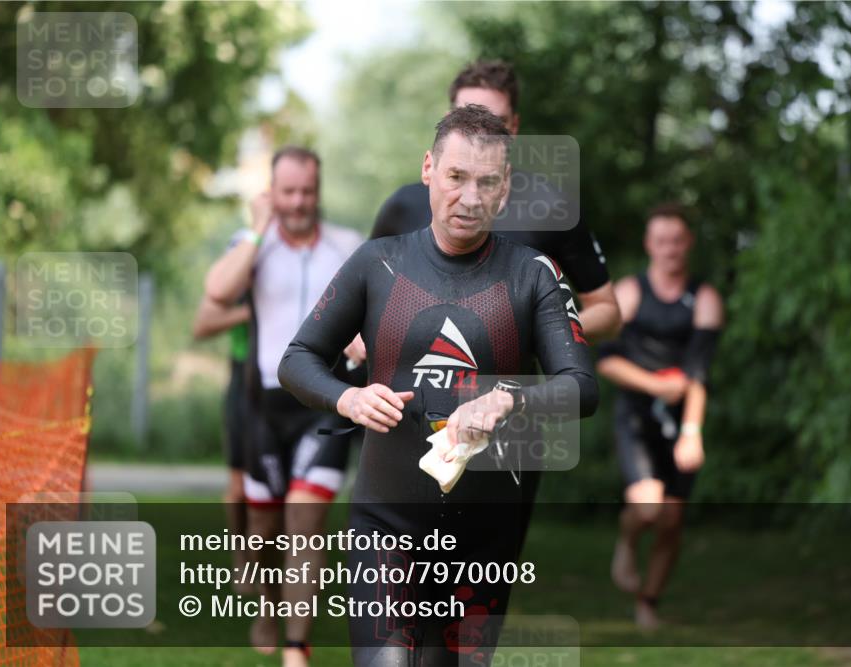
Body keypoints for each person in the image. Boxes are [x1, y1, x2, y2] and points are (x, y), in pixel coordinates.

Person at [278, 105, 598, 666]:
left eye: (487, 182)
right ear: (429, 169)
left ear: (506, 190)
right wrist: (347, 396)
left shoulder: (534, 274)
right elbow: (299, 359)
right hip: (386, 527)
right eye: (456, 176)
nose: (470, 197)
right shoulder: (377, 264)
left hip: (485, 539)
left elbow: (581, 387)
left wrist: (508, 396)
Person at [204, 146, 364, 667]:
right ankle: (269, 609)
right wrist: (256, 229)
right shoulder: (256, 243)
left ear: (318, 191)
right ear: (272, 194)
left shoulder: (346, 246)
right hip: (263, 406)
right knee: (264, 530)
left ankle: (297, 645)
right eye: (288, 192)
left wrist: (363, 339)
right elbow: (217, 293)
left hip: (325, 400)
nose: (298, 203)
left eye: (307, 192)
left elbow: (376, 311)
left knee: (305, 519)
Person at [370, 60, 621, 342]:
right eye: (466, 119)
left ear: (513, 127)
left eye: (496, 123)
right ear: (447, 122)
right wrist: (357, 336)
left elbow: (607, 310)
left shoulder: (552, 208)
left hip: (507, 385)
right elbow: (359, 297)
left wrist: (540, 334)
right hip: (403, 385)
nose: (479, 135)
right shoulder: (404, 205)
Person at [596, 204, 724, 629]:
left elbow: (698, 373)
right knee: (648, 510)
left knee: (672, 519)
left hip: (681, 417)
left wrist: (692, 431)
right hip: (636, 415)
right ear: (650, 244)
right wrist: (655, 386)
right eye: (661, 240)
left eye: (677, 239)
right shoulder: (630, 293)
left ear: (688, 243)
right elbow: (607, 362)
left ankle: (648, 602)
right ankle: (627, 540)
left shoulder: (704, 299)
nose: (670, 248)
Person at [191, 290, 253, 594]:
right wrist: (251, 311)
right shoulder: (241, 275)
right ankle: (242, 561)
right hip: (244, 379)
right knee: (239, 488)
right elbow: (202, 326)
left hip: (291, 380)